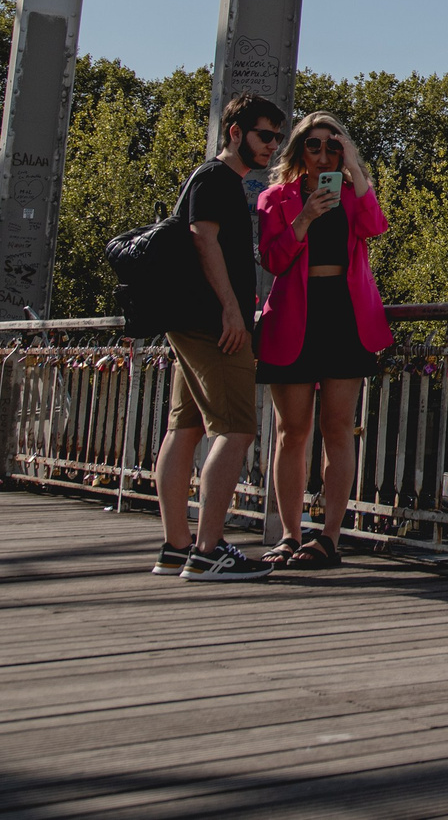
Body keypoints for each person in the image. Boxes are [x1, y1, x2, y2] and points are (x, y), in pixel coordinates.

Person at [154, 93, 283, 581]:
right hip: (211, 321)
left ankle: (175, 545)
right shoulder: (218, 179)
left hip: (190, 318)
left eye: (276, 137)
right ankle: (208, 550)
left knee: (184, 428)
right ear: (235, 132)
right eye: (264, 135)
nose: (272, 145)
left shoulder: (217, 180)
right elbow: (202, 239)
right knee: (236, 429)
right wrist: (233, 311)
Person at [254, 111, 392, 569]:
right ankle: (289, 535)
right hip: (294, 315)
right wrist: (305, 218)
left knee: (338, 429)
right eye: (314, 146)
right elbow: (273, 260)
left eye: (333, 146)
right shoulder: (276, 198)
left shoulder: (353, 194)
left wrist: (353, 168)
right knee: (291, 433)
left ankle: (330, 536)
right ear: (299, 151)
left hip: (344, 317)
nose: (323, 154)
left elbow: (376, 227)